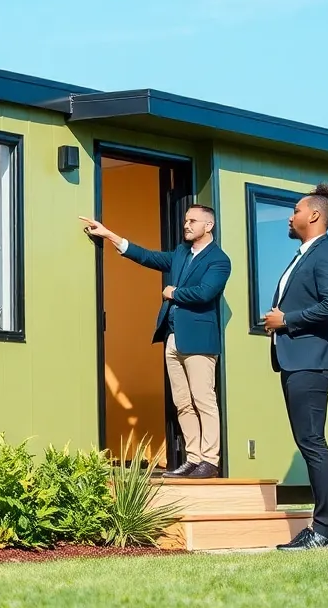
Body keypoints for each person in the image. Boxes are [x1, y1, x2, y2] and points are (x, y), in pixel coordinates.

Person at [79, 205, 232, 479]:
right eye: (185, 220)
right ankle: (194, 458)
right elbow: (148, 257)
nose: (186, 224)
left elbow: (206, 292)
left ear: (208, 226)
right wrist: (109, 235)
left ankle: (210, 460)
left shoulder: (219, 260)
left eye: (192, 220)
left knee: (203, 400)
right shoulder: (182, 253)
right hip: (173, 338)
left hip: (199, 341)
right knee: (183, 402)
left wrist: (174, 292)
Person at [261, 183, 328, 551]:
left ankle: (324, 531)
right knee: (308, 440)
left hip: (312, 361)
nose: (290, 215)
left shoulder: (326, 255)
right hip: (295, 361)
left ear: (313, 215)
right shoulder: (303, 255)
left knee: (312, 442)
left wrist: (287, 320)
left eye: (295, 210)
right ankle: (322, 528)